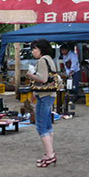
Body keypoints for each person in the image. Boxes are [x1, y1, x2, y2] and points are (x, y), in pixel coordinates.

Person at [27, 39, 58, 168]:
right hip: (50, 95)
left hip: (44, 96)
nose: (33, 51)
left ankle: (50, 155)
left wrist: (31, 75)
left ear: (41, 49)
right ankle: (49, 153)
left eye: (35, 49)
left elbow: (43, 78)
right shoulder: (49, 59)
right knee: (47, 125)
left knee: (41, 126)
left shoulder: (42, 61)